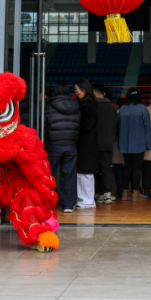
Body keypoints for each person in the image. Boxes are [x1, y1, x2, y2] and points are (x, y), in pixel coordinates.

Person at [44, 83, 81, 213]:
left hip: (53, 145)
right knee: (69, 176)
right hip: (71, 145)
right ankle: (68, 205)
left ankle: (49, 202)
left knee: (50, 175)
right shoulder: (76, 106)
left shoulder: (49, 106)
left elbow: (45, 125)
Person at [117, 88, 151, 200]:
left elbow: (118, 126)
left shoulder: (122, 109)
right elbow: (147, 127)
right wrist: (148, 143)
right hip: (139, 143)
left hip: (125, 143)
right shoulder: (142, 108)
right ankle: (136, 192)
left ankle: (125, 192)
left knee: (127, 167)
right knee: (137, 168)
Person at [73, 78, 98, 209]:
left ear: (85, 90)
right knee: (81, 173)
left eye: (79, 89)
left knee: (86, 173)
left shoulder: (90, 106)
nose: (77, 92)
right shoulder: (83, 104)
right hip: (83, 143)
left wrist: (76, 123)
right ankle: (83, 199)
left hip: (87, 144)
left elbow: (88, 125)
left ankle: (88, 200)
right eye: (76, 89)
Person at [92, 82, 118, 204]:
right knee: (106, 170)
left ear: (94, 93)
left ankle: (98, 193)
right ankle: (107, 194)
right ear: (104, 93)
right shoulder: (112, 108)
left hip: (94, 143)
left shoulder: (92, 106)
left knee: (95, 170)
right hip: (108, 143)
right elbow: (116, 126)